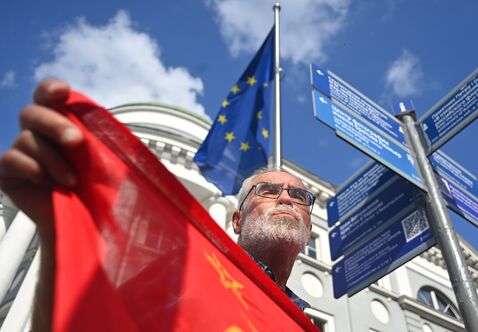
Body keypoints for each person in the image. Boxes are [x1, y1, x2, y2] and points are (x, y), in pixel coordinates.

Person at [0, 79, 315, 330]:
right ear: (236, 220)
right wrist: (60, 239)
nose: (285, 198)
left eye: (298, 196)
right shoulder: (183, 274)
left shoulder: (304, 322)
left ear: (310, 227)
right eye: (268, 191)